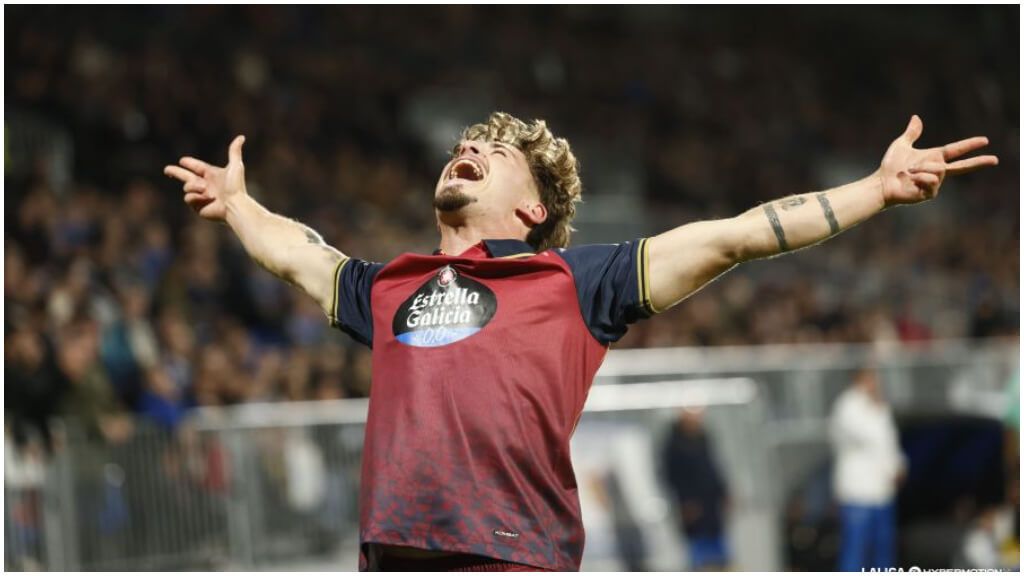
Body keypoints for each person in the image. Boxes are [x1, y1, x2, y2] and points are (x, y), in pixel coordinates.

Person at [164, 112, 996, 571]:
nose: (468, 149)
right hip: (394, 559)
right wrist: (239, 205)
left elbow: (738, 236)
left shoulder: (575, 281)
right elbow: (300, 256)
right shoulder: (386, 289)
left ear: (533, 211)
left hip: (514, 560)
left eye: (491, 152)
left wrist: (877, 191)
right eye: (465, 144)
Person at [830, 368, 906, 571]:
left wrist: (898, 466)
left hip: (882, 491)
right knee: (856, 550)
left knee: (883, 551)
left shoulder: (880, 407)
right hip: (858, 493)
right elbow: (870, 438)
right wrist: (876, 408)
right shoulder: (847, 405)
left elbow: (890, 443)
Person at [661, 407, 730, 570]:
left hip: (712, 504)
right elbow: (672, 476)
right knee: (699, 553)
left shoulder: (703, 438)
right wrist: (686, 502)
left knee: (719, 552)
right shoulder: (673, 445)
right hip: (692, 507)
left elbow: (714, 468)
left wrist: (724, 492)